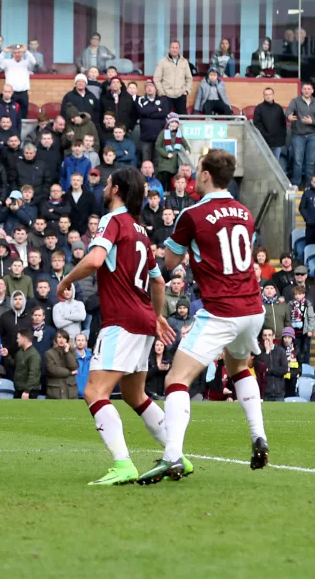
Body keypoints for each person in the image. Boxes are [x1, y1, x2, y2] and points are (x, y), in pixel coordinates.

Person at [138, 149, 269, 484]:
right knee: (239, 366)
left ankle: (172, 457)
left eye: (197, 170)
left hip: (221, 309)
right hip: (252, 308)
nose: (194, 175)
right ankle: (258, 435)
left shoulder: (192, 214)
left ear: (207, 175)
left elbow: (169, 263)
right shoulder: (244, 212)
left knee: (176, 380)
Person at [56, 167, 176, 485]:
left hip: (120, 321)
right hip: (143, 320)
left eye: (108, 183)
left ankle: (123, 464)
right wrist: (157, 315)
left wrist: (67, 278)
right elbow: (159, 281)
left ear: (118, 189)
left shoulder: (114, 221)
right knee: (135, 395)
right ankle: (175, 455)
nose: (104, 188)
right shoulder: (139, 230)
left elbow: (95, 260)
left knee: (95, 391)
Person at [153, 40, 192, 116]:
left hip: (181, 94)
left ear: (179, 49)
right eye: (172, 47)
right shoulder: (162, 62)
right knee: (163, 117)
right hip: (166, 95)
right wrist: (162, 92)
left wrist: (186, 91)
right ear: (169, 49)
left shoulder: (184, 62)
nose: (174, 49)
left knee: (182, 118)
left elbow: (189, 78)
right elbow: (156, 78)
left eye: (176, 47)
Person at [288, 82, 315, 187]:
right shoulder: (295, 101)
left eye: (309, 89)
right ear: (301, 90)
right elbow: (288, 112)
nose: (307, 90)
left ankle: (309, 185)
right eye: (305, 88)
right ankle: (295, 184)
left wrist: (311, 121)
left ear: (312, 90)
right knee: (298, 161)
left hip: (312, 136)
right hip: (298, 135)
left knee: (311, 162)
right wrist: (289, 116)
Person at [0, 46, 34, 120]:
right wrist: (4, 52)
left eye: (19, 52)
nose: (17, 54)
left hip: (23, 93)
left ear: (22, 53)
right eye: (15, 53)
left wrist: (26, 51)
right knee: (10, 114)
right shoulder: (7, 62)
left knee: (23, 115)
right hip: (11, 93)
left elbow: (33, 62)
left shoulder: (26, 63)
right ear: (12, 54)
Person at [253, 87, 288, 164]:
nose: (268, 96)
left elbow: (283, 124)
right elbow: (257, 124)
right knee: (264, 164)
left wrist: (282, 138)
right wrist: (265, 135)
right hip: (264, 142)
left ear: (273, 95)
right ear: (263, 96)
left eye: (270, 94)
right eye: (266, 95)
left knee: (276, 164)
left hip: (277, 142)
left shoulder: (278, 108)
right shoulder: (259, 108)